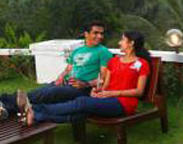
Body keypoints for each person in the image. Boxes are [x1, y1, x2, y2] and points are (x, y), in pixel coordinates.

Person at [19, 30, 151, 126]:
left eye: (122, 40)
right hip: (107, 97)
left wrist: (111, 93)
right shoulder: (114, 61)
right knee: (79, 114)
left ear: (131, 43)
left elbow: (139, 91)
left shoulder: (141, 64)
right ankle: (36, 116)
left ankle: (35, 110)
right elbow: (106, 83)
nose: (119, 42)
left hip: (124, 104)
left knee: (82, 102)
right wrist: (98, 90)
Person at [0, 21, 113, 118]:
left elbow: (103, 78)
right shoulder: (77, 51)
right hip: (66, 83)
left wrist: (85, 84)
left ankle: (2, 100)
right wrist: (61, 76)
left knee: (47, 93)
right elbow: (68, 68)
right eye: (96, 33)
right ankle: (6, 108)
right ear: (86, 34)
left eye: (101, 33)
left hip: (82, 89)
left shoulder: (103, 52)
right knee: (42, 91)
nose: (100, 36)